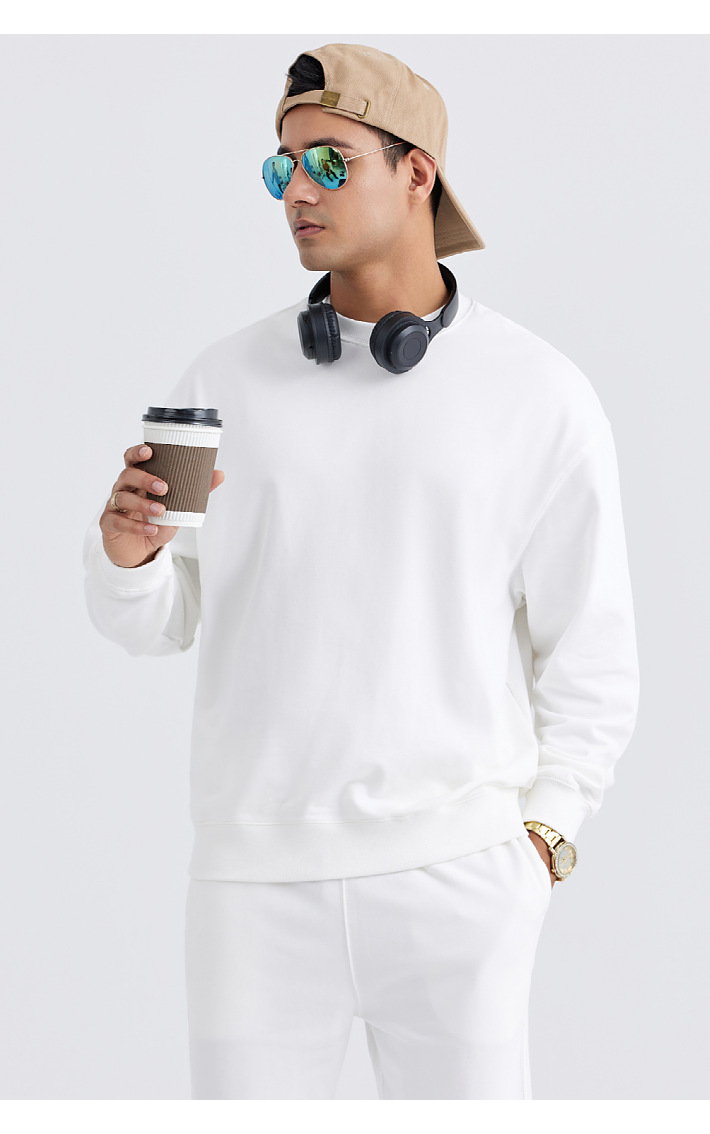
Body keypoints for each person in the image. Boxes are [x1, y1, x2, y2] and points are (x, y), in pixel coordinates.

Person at [82, 43, 640, 1100]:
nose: (296, 190)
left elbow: (591, 649)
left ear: (417, 170)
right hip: (251, 890)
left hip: (461, 882)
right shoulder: (222, 378)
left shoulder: (538, 392)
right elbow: (158, 619)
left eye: (329, 162)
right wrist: (126, 559)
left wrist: (544, 840)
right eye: (281, 167)